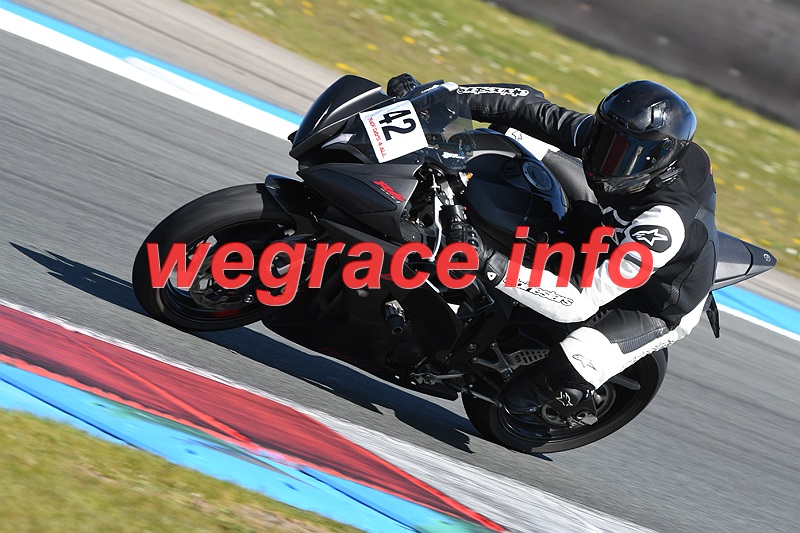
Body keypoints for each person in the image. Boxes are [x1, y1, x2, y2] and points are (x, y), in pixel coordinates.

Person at [387, 74, 719, 422]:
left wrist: (486, 261)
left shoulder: (664, 226)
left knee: (540, 384)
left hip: (647, 302)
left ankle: (566, 391)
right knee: (512, 135)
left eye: (622, 154)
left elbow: (581, 300)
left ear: (656, 161)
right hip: (603, 230)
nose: (604, 157)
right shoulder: (620, 143)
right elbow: (529, 108)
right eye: (604, 139)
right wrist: (435, 99)